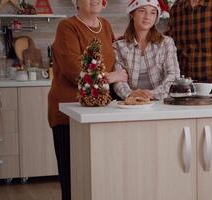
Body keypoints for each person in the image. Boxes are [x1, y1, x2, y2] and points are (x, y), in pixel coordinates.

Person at [47, 1, 127, 200]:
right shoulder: (67, 27)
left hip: (99, 110)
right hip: (70, 112)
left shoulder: (106, 25)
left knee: (96, 179)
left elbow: (112, 58)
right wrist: (111, 76)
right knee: (73, 180)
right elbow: (75, 69)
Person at [112, 0, 180, 100]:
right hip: (130, 104)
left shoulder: (166, 43)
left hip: (161, 103)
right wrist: (130, 94)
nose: (147, 16)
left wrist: (152, 94)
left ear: (156, 17)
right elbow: (118, 80)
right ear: (132, 14)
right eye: (142, 11)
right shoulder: (119, 46)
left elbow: (173, 76)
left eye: (153, 12)